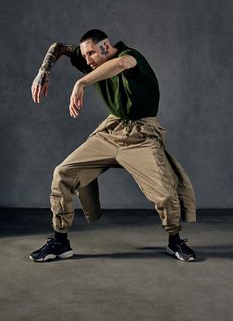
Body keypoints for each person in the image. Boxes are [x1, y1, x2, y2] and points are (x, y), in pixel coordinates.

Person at [30, 29, 196, 263]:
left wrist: (81, 82)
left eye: (91, 54)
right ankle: (60, 242)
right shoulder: (91, 57)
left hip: (141, 135)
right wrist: (42, 73)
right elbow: (59, 47)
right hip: (111, 131)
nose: (87, 60)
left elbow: (120, 64)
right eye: (85, 55)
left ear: (106, 47)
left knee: (166, 194)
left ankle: (175, 240)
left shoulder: (130, 56)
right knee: (63, 173)